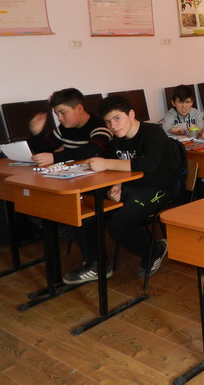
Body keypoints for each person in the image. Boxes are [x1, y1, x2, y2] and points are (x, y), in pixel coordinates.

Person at [63, 95, 179, 284]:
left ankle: (154, 250)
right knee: (85, 208)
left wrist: (106, 163)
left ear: (131, 114)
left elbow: (149, 164)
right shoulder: (118, 138)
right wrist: (117, 185)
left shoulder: (153, 133)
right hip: (131, 186)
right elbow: (119, 168)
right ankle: (97, 265)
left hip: (159, 188)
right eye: (108, 122)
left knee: (118, 224)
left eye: (117, 118)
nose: (113, 126)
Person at [28, 87, 111, 166]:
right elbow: (44, 152)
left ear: (79, 109)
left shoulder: (100, 126)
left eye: (63, 113)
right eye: (57, 114)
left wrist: (54, 157)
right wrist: (36, 133)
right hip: (76, 172)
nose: (59, 118)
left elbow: (92, 151)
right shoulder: (64, 127)